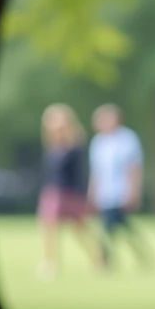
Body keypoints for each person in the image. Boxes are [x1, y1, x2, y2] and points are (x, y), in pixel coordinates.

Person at [36, 104, 99, 279]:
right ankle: (50, 263)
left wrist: (84, 196)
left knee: (79, 229)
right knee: (48, 227)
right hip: (52, 191)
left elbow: (79, 174)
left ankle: (98, 257)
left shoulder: (74, 146)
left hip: (69, 193)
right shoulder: (51, 146)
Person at [88, 104, 152, 270]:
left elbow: (133, 169)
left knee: (109, 228)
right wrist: (92, 193)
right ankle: (138, 254)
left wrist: (133, 192)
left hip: (120, 192)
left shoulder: (128, 139)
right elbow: (97, 172)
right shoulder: (98, 142)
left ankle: (106, 261)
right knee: (117, 227)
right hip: (105, 193)